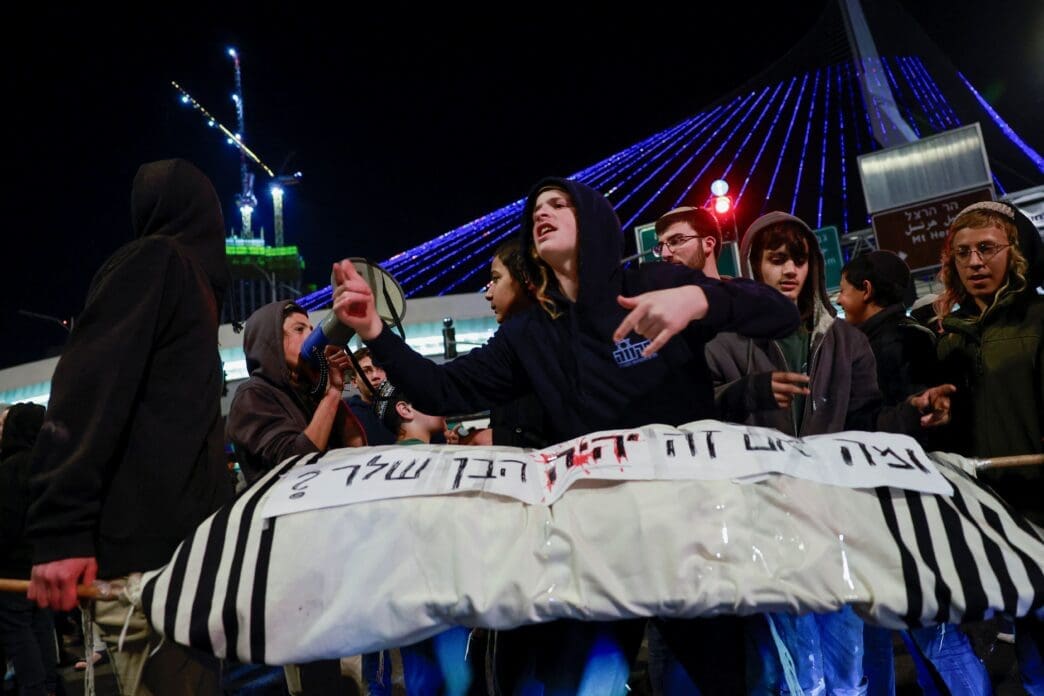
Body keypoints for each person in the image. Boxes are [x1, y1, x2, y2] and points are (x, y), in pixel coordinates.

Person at [331, 176, 802, 694]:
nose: (542, 212)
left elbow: (780, 313)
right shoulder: (529, 334)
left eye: (559, 204)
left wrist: (696, 298)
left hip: (687, 541)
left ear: (595, 220)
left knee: (726, 682)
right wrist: (375, 331)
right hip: (597, 549)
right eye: (536, 208)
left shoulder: (650, 284)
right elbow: (443, 388)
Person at [705, 212, 955, 695]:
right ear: (754, 264)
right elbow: (701, 414)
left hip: (834, 523)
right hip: (764, 523)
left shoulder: (845, 340)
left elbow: (866, 420)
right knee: (793, 670)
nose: (790, 270)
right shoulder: (724, 343)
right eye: (776, 259)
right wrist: (750, 391)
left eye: (799, 259)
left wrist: (911, 412)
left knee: (847, 662)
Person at [26, 158, 233, 695]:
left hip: (182, 567)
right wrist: (61, 531)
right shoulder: (157, 261)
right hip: (146, 575)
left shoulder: (192, 287)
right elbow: (86, 387)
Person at [838, 250, 991, 696]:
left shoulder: (885, 344)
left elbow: (900, 426)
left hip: (904, 508)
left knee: (932, 633)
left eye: (844, 290)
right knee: (913, 633)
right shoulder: (907, 335)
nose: (841, 302)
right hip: (908, 506)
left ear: (865, 291)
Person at [226, 299, 366, 695]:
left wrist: (332, 389)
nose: (312, 336)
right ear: (271, 341)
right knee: (317, 677)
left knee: (348, 672)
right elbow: (295, 462)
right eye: (299, 330)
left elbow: (356, 445)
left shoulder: (308, 394)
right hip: (293, 559)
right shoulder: (253, 397)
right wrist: (331, 397)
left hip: (329, 550)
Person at [932, 200, 1044, 693]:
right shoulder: (949, 337)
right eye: (963, 253)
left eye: (987, 249)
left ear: (1015, 252)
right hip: (994, 508)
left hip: (1042, 496)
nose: (975, 262)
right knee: (1031, 632)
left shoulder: (1039, 318)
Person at [1, 402, 58, 696]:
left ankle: (35, 688)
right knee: (40, 625)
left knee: (18, 629)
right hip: (44, 559)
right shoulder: (49, 462)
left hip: (13, 566)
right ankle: (49, 684)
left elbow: (7, 523)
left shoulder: (10, 469)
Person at [344, 347, 397, 446]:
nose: (376, 375)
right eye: (366, 371)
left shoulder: (405, 407)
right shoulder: (350, 416)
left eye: (381, 368)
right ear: (354, 381)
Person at [653, 205, 724, 277]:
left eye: (675, 241)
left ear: (708, 244)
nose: (664, 255)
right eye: (661, 247)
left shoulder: (734, 288)